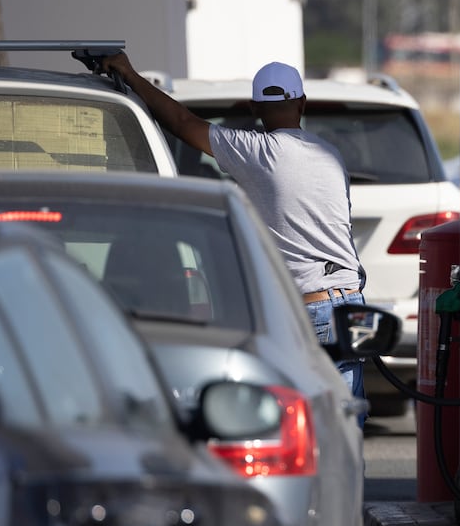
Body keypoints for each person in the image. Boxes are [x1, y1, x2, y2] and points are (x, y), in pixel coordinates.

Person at [101, 52, 369, 413]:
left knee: (297, 424)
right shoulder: (330, 156)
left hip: (308, 312)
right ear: (302, 103)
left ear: (255, 108)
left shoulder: (259, 152)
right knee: (345, 423)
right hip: (349, 304)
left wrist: (130, 75)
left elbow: (182, 122)